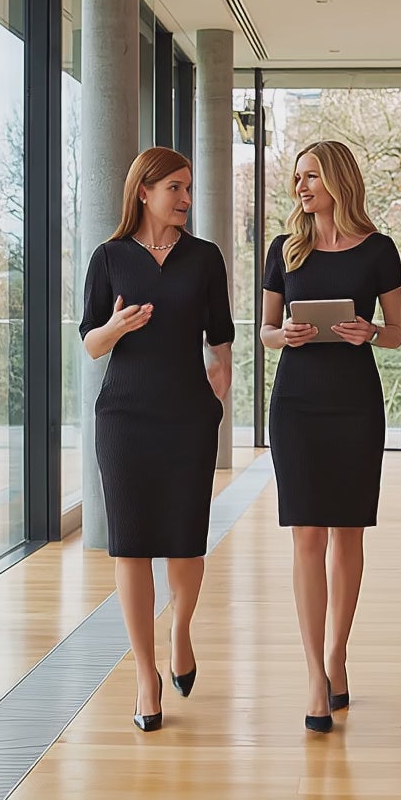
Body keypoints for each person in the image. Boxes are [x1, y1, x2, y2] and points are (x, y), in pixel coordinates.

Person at [79, 146, 234, 733]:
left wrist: (222, 371)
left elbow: (220, 332)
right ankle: (146, 676)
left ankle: (180, 629)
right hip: (124, 418)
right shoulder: (109, 257)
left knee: (186, 543)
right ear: (143, 191)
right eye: (176, 188)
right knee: (132, 545)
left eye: (189, 188)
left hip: (189, 416)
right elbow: (90, 343)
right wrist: (115, 327)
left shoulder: (205, 258)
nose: (186, 198)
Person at [259, 140, 401, 734]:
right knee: (306, 536)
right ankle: (314, 674)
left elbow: (396, 333)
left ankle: (337, 652)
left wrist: (368, 331)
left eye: (312, 176)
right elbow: (265, 330)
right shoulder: (284, 249)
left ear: (339, 180)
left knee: (348, 534)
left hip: (355, 405)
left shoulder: (379, 249)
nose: (301, 186)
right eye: (298, 177)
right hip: (296, 405)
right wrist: (285, 335)